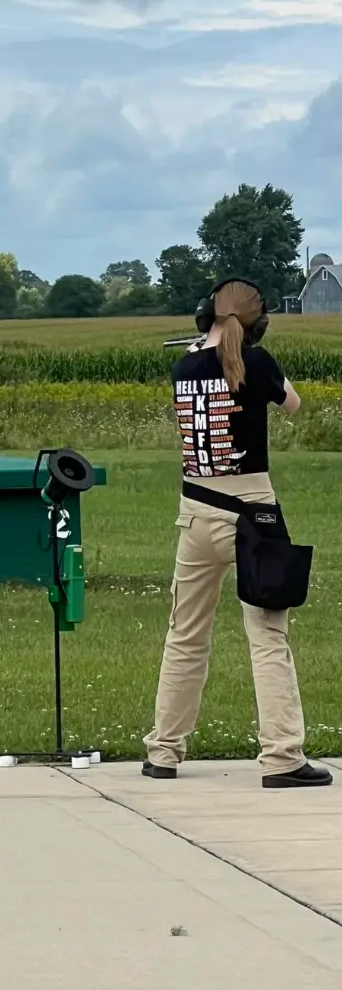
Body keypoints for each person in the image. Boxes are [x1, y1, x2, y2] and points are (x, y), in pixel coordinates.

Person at [142, 279, 332, 788]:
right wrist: (259, 359)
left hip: (196, 513)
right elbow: (291, 404)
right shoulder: (258, 363)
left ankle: (164, 750)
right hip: (254, 514)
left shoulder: (183, 367)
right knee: (268, 638)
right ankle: (282, 757)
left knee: (184, 635)